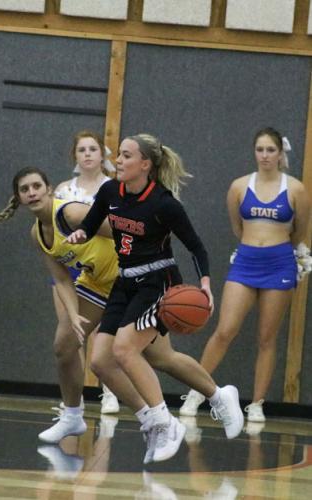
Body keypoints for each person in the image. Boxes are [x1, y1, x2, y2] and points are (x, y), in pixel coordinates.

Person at [0, 165, 242, 463]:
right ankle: (75, 416)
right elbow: (61, 278)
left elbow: (124, 227)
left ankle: (214, 396)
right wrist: (72, 315)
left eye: (36, 186)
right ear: (19, 198)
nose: (31, 193)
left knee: (159, 357)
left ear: (49, 189)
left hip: (131, 281)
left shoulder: (71, 214)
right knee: (65, 345)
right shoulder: (38, 234)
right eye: (24, 190)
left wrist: (146, 272)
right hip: (96, 285)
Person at [66, 133, 244, 462]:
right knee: (104, 361)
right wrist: (80, 233)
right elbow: (91, 225)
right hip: (126, 281)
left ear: (145, 164)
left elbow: (196, 246)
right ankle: (216, 397)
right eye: (118, 155)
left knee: (124, 349)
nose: (118, 160)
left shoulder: (163, 203)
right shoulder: (109, 192)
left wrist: (205, 283)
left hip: (158, 281)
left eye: (126, 156)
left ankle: (165, 422)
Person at [179, 127, 311, 423]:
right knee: (225, 330)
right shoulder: (239, 186)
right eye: (260, 149)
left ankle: (257, 404)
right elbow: (237, 226)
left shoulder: (296, 189)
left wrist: (281, 251)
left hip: (279, 264)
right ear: (255, 152)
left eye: (270, 150)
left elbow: (300, 230)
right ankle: (197, 393)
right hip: (246, 262)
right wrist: (253, 245)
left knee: (267, 337)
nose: (265, 155)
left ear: (280, 153)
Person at [54, 130, 119, 414]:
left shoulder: (114, 187)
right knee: (71, 334)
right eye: (82, 150)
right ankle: (74, 399)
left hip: (104, 269)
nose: (88, 154)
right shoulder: (63, 190)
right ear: (75, 156)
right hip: (70, 267)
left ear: (102, 154)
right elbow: (53, 229)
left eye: (93, 148)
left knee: (104, 336)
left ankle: (110, 392)